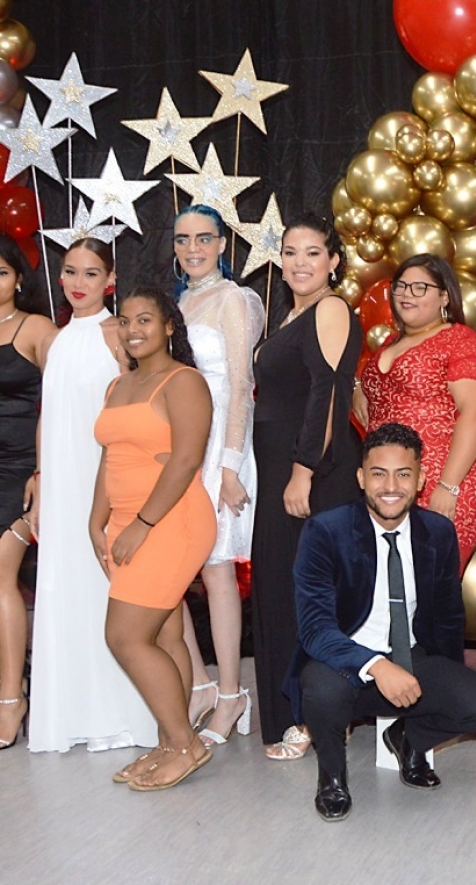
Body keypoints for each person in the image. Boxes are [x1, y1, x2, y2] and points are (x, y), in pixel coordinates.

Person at [290, 423, 476, 822]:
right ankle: (332, 776)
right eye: (378, 474)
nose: (391, 486)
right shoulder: (325, 531)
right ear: (361, 478)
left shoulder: (438, 531)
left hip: (410, 656)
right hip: (346, 663)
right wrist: (376, 665)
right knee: (320, 688)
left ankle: (408, 739)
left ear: (420, 480)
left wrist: (445, 686)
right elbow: (315, 629)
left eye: (403, 474)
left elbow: (448, 617)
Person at [29, 238, 157, 753]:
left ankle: (120, 713)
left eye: (90, 273)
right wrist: (41, 478)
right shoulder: (57, 339)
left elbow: (136, 409)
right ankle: (71, 713)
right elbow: (48, 415)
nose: (77, 283)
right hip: (61, 483)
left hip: (105, 479)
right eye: (69, 271)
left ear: (110, 279)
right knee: (66, 587)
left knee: (106, 588)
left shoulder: (116, 335)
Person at [89, 287, 218, 789]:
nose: (132, 329)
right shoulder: (118, 384)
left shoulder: (184, 382)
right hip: (128, 520)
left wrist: (141, 525)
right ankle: (168, 741)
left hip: (170, 521)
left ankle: (186, 744)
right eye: (124, 321)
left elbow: (185, 460)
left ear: (169, 326)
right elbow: (111, 457)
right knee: (165, 636)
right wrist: (97, 521)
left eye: (144, 319)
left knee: (125, 637)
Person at [252, 214, 363, 760]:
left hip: (311, 472)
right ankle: (301, 712)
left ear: (333, 261)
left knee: (308, 595)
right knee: (281, 588)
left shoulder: (330, 308)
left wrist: (305, 469)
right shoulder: (291, 315)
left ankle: (316, 716)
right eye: (291, 252)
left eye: (313, 252)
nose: (300, 262)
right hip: (280, 468)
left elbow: (328, 391)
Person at [172, 204, 265, 745]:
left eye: (203, 238)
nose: (193, 248)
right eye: (183, 239)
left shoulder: (236, 299)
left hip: (219, 450)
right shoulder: (179, 302)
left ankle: (232, 694)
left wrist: (230, 466)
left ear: (223, 244)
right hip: (180, 449)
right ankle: (201, 684)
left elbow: (240, 387)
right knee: (171, 574)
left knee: (216, 571)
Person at [356, 254, 476, 566]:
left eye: (420, 287)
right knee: (390, 584)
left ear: (444, 296)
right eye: (401, 286)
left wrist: (448, 485)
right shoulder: (391, 340)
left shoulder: (462, 341)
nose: (407, 294)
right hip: (389, 486)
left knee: (432, 584)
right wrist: (358, 389)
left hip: (443, 482)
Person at [0, 235, 56, 749]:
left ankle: (11, 699)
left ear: (19, 278)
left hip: (21, 471)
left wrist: (44, 473)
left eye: (1, 272)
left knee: (1, 575)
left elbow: (68, 401)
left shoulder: (35, 329)